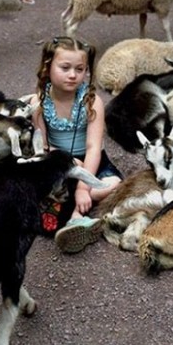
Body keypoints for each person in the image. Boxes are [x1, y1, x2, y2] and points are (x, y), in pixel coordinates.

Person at [31, 36, 123, 253]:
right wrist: (67, 161)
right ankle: (77, 215)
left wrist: (83, 185)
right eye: (65, 68)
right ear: (48, 67)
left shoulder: (92, 102)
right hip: (57, 160)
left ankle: (71, 213)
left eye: (80, 69)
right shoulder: (39, 103)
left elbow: (93, 147)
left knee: (114, 183)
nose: (73, 75)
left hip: (91, 162)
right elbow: (42, 147)